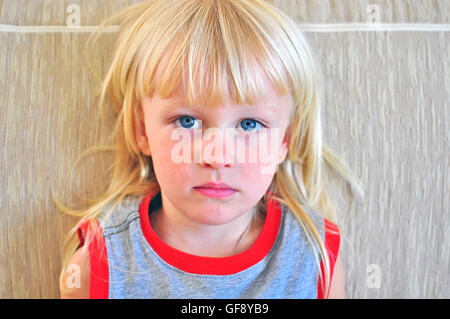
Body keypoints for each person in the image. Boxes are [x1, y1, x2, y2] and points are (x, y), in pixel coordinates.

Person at [57, 0, 363, 299]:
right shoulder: (99, 266)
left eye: (249, 125)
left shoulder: (315, 259)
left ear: (285, 140)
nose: (217, 156)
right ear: (141, 130)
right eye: (187, 121)